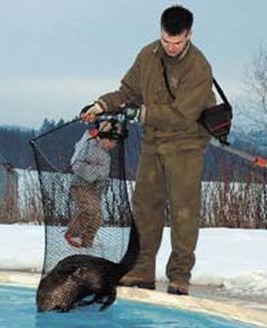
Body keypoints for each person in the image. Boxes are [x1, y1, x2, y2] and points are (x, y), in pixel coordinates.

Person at [80, 5, 215, 295]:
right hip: (153, 142)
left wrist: (141, 115)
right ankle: (141, 271)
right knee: (144, 208)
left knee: (184, 212)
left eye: (177, 42)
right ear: (160, 32)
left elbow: (182, 114)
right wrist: (100, 105)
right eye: (166, 40)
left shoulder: (199, 67)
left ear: (189, 35)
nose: (171, 47)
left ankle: (179, 275)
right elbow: (127, 92)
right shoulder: (147, 55)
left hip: (187, 142)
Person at [65, 119, 125, 248]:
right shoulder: (89, 145)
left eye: (115, 143)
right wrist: (94, 174)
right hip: (80, 185)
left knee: (97, 219)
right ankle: (73, 234)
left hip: (94, 190)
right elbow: (76, 164)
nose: (112, 145)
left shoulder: (106, 155)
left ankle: (86, 244)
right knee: (89, 209)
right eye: (110, 141)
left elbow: (103, 175)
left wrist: (100, 185)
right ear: (102, 137)